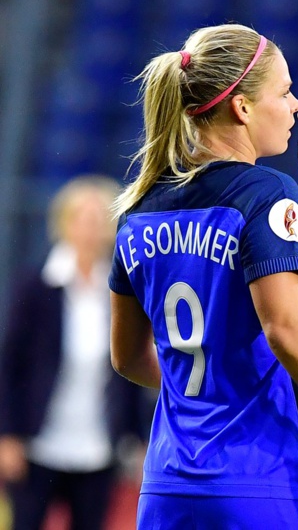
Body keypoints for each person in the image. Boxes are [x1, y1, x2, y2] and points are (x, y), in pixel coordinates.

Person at [108, 24, 298, 530]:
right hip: (262, 482)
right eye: (285, 92)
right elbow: (286, 327)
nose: (295, 107)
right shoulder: (266, 194)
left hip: (167, 486)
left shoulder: (138, 210)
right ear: (242, 108)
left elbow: (127, 357)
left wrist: (205, 390)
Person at [0, 174, 146, 530]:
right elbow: (10, 365)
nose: (91, 229)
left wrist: (138, 438)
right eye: (83, 218)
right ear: (63, 223)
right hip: (39, 444)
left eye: (99, 220)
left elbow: (128, 368)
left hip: (97, 448)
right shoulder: (36, 286)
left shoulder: (118, 289)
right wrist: (7, 435)